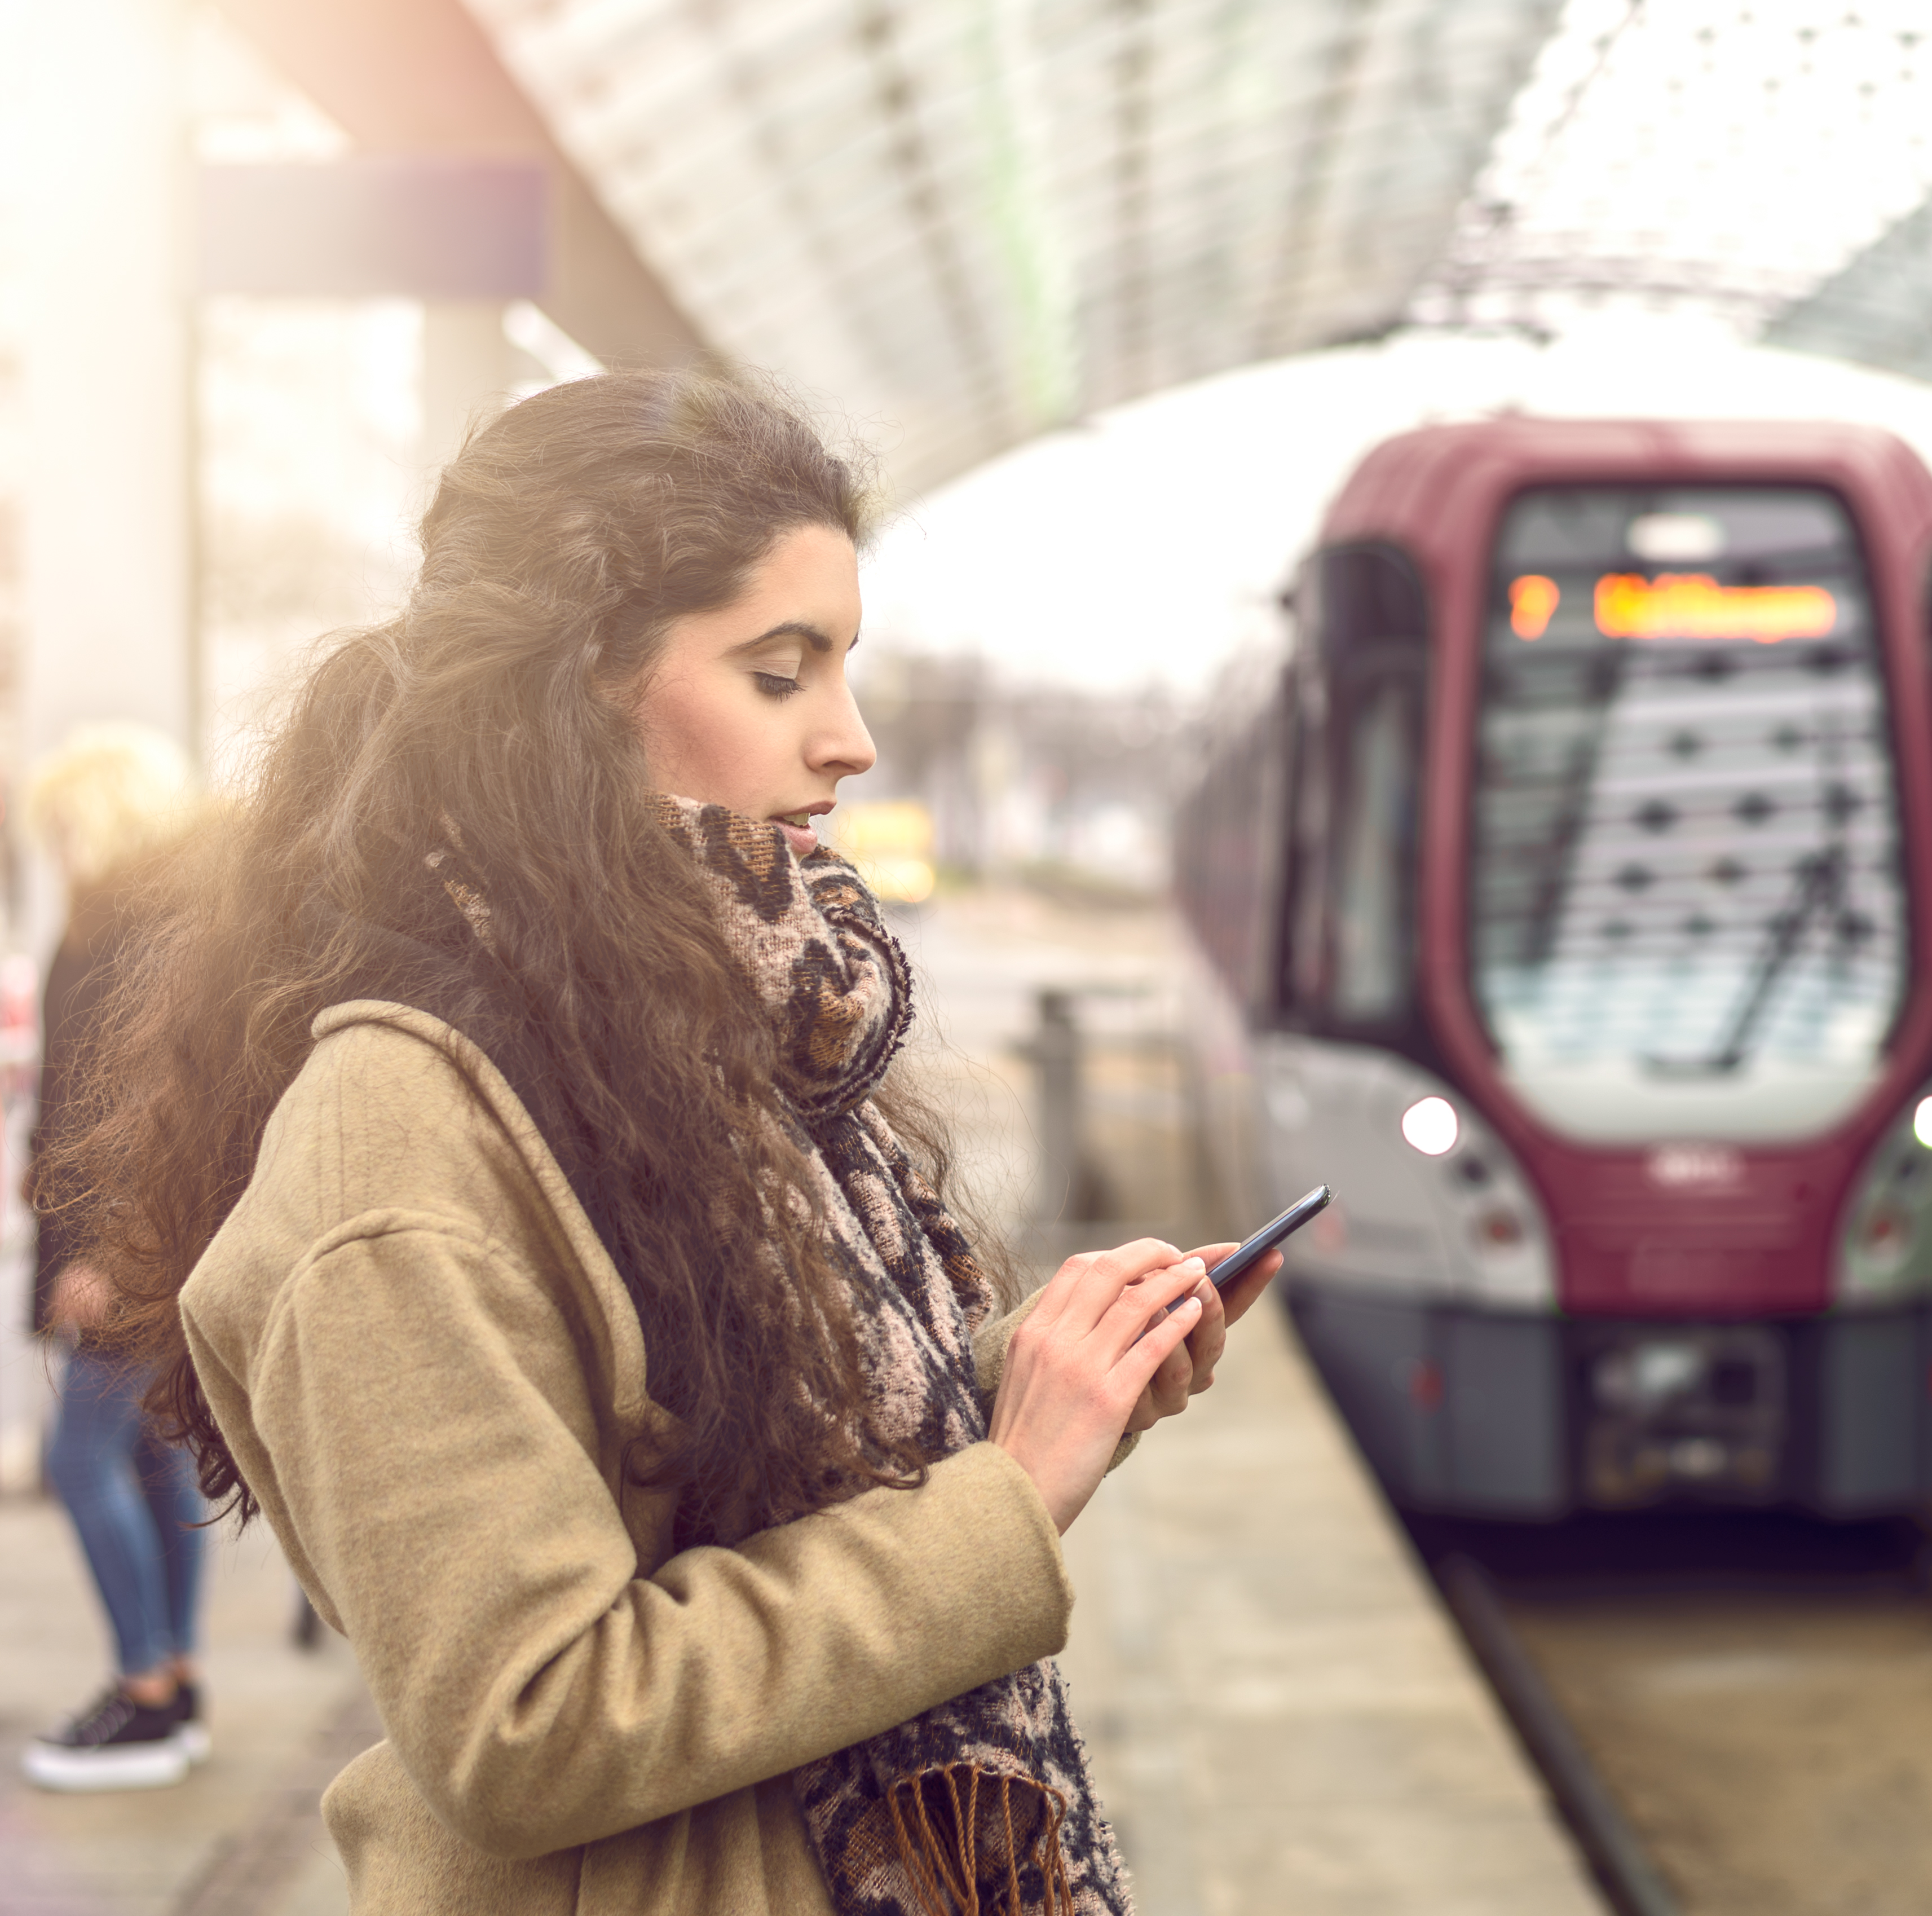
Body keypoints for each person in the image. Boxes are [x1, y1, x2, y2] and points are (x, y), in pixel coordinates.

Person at [60, 369, 1275, 1914]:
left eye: (844, 666)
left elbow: (728, 1486)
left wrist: (1045, 1385)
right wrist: (1007, 1498)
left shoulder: (672, 1043)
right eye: (782, 673)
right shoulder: (394, 1149)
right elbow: (530, 1718)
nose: (851, 739)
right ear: (570, 696)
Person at [20, 724, 209, 1791]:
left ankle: (143, 1694)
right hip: (130, 1243)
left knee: (78, 1460)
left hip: (126, 1251)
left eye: (64, 820)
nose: (52, 843)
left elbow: (143, 1112)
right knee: (149, 1458)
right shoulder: (120, 923)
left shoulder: (135, 932)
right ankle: (173, 1688)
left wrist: (100, 1252)